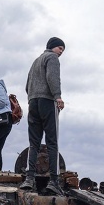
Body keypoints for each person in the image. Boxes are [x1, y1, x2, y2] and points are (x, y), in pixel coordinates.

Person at [20, 37, 66, 196]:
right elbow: (53, 77)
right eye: (60, 48)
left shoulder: (35, 61)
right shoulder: (52, 58)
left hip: (32, 102)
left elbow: (27, 85)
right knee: (52, 142)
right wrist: (57, 96)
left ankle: (29, 179)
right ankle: (54, 181)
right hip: (47, 101)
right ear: (53, 47)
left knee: (34, 143)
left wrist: (33, 97)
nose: (61, 52)